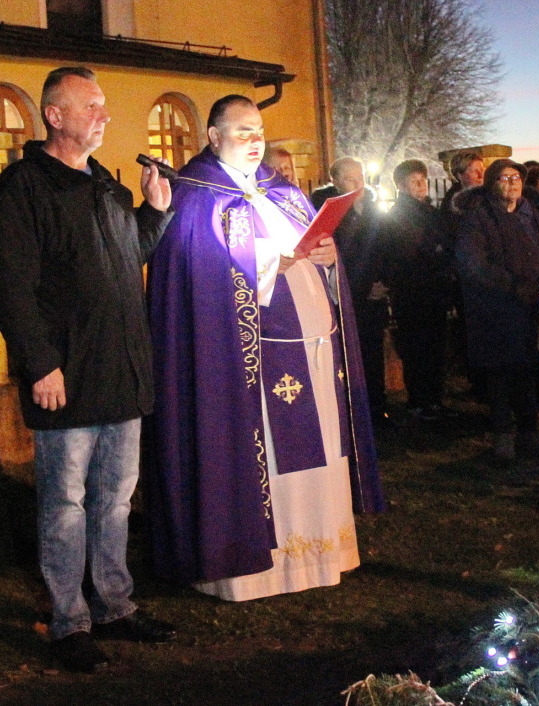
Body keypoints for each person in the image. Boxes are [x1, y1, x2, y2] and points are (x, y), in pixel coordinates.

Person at [145, 95, 384, 602]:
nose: (255, 141)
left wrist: (324, 253)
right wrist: (272, 259)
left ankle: (320, 552)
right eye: (241, 131)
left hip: (312, 349)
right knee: (260, 454)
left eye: (259, 130)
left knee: (318, 441)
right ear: (212, 137)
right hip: (240, 362)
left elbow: (320, 253)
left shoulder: (284, 191)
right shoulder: (194, 196)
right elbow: (198, 280)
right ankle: (255, 563)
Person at [0, 67, 175, 672]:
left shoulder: (104, 185)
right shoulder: (23, 188)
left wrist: (155, 215)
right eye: (92, 106)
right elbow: (12, 287)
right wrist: (40, 364)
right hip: (66, 377)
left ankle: (115, 605)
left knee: (115, 499)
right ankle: (69, 620)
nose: (104, 115)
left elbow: (128, 258)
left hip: (120, 373)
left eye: (104, 106)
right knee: (65, 504)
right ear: (54, 115)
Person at [454, 159, 539, 462]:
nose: (511, 183)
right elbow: (473, 262)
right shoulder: (478, 217)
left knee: (526, 371)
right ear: (492, 184)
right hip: (493, 308)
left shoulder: (532, 215)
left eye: (516, 178)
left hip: (529, 306)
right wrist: (512, 286)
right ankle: (503, 434)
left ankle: (530, 432)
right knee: (499, 374)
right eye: (504, 178)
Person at [380, 159, 458, 420]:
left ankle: (433, 399)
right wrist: (434, 251)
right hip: (412, 292)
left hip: (433, 289)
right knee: (416, 347)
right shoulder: (398, 215)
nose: (422, 185)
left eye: (423, 180)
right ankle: (419, 400)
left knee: (435, 347)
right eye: (415, 181)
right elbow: (405, 251)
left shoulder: (431, 212)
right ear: (401, 185)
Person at [329, 159, 390, 427]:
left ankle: (377, 407)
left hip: (375, 294)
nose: (359, 183)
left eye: (360, 177)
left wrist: (384, 281)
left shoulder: (374, 211)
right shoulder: (332, 213)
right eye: (351, 179)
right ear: (336, 182)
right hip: (350, 294)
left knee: (374, 355)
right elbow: (343, 254)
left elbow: (387, 246)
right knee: (351, 355)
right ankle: (353, 412)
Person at [440, 149, 485, 213]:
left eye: (482, 170)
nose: (480, 175)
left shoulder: (491, 195)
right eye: (473, 171)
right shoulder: (450, 204)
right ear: (459, 175)